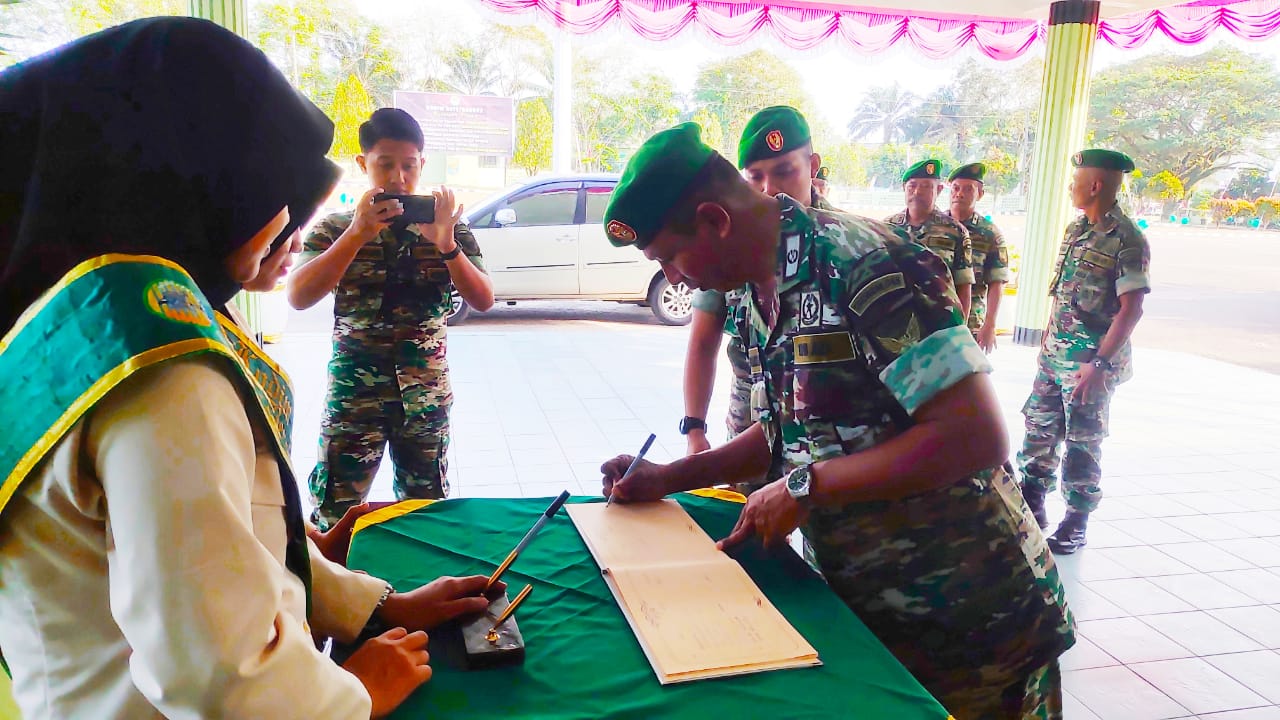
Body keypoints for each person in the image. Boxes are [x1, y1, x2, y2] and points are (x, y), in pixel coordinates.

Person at [0, 19, 494, 719]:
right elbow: (221, 672)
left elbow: (237, 545)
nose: (288, 219)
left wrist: (374, 607)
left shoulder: (84, 325)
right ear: (193, 176)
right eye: (274, 187)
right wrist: (357, 695)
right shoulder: (162, 371)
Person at [599, 123, 1074, 718]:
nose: (672, 276)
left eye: (669, 255)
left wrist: (805, 485)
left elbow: (975, 435)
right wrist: (668, 477)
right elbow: (786, 429)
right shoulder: (752, 284)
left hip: (970, 613)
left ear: (715, 220)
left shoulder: (868, 264)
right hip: (869, 609)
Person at [288, 108, 495, 528]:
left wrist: (447, 244)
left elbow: (484, 298)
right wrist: (357, 235)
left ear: (422, 163)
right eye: (385, 165)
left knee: (426, 513)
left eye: (409, 165)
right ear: (364, 164)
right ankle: (334, 591)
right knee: (335, 514)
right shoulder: (335, 228)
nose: (399, 178)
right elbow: (298, 295)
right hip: (354, 398)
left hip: (425, 397)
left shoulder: (449, 227)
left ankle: (422, 591)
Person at [681, 106, 835, 462]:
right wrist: (694, 430)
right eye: (755, 178)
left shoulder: (851, 250)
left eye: (784, 172)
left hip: (828, 434)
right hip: (748, 417)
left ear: (812, 167)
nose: (771, 191)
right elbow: (703, 342)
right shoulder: (725, 247)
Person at [1017, 150, 1151, 554]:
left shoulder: (1127, 239)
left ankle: (1076, 521)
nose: (1070, 187)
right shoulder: (1076, 230)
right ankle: (1032, 506)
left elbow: (1132, 309)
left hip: (1090, 366)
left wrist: (1099, 365)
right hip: (1053, 359)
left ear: (1095, 185)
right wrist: (1045, 346)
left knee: (1082, 441)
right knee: (1038, 432)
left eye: (1076, 180)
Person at [885, 159, 974, 319]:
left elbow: (964, 286)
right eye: (912, 186)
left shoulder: (955, 231)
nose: (918, 192)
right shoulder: (886, 227)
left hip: (939, 320)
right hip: (895, 319)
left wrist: (961, 328)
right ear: (904, 188)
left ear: (939, 189)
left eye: (926, 186)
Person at [946, 162, 1012, 353]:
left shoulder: (990, 234)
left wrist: (990, 325)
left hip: (971, 323)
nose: (960, 194)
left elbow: (997, 283)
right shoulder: (937, 227)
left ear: (980, 194)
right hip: (937, 317)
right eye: (956, 188)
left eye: (968, 189)